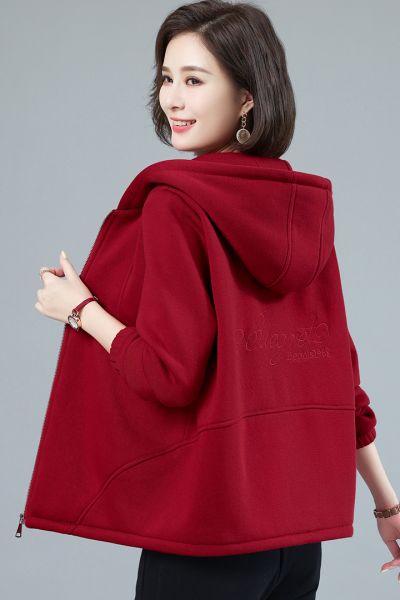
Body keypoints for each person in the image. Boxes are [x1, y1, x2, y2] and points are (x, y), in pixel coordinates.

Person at [27, 1, 399, 598]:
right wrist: (388, 505)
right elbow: (337, 376)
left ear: (247, 97)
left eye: (195, 81)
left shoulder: (176, 205)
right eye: (166, 79)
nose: (173, 100)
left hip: (209, 539)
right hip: (298, 545)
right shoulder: (301, 209)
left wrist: (80, 310)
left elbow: (167, 376)